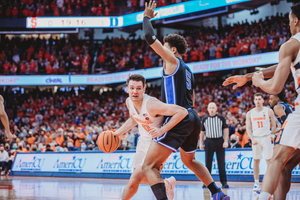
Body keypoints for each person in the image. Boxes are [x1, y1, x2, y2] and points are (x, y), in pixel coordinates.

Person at [142, 1, 229, 200]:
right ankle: (217, 193)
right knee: (190, 161)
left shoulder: (172, 61)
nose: (160, 52)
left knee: (149, 166)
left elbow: (149, 36)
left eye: (164, 48)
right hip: (193, 118)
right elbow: (192, 99)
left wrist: (146, 17)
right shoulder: (189, 70)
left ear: (172, 50)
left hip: (179, 118)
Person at [223, 3, 300, 199]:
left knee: (277, 161)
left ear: (295, 21)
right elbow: (283, 65)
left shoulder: (291, 44)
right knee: (286, 166)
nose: (289, 24)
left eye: (289, 20)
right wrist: (249, 75)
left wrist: (258, 82)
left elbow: (275, 88)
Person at [115, 74, 188, 200]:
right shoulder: (129, 102)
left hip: (157, 143)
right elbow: (134, 120)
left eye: (138, 88)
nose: (135, 91)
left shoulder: (152, 104)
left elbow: (182, 112)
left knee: (133, 179)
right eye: (132, 88)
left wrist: (162, 130)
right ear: (127, 89)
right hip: (142, 141)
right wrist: (115, 134)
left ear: (144, 89)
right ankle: (166, 185)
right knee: (141, 180)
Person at [246, 93, 276, 192]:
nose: (258, 101)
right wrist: (251, 138)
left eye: (259, 99)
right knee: (256, 161)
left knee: (269, 161)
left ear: (263, 100)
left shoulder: (269, 111)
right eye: (256, 99)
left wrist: (272, 135)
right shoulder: (250, 113)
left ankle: (269, 183)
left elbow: (274, 124)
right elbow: (248, 128)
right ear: (254, 101)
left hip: (266, 137)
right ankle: (256, 183)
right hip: (256, 138)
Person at [199, 102, 229, 188]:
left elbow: (226, 129)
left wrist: (226, 141)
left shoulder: (221, 118)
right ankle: (207, 182)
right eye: (210, 108)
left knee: (221, 163)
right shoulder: (204, 119)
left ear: (216, 109)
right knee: (208, 163)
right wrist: (200, 143)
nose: (211, 110)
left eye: (213, 108)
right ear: (207, 109)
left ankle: (224, 182)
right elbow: (202, 132)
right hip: (209, 142)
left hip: (219, 141)